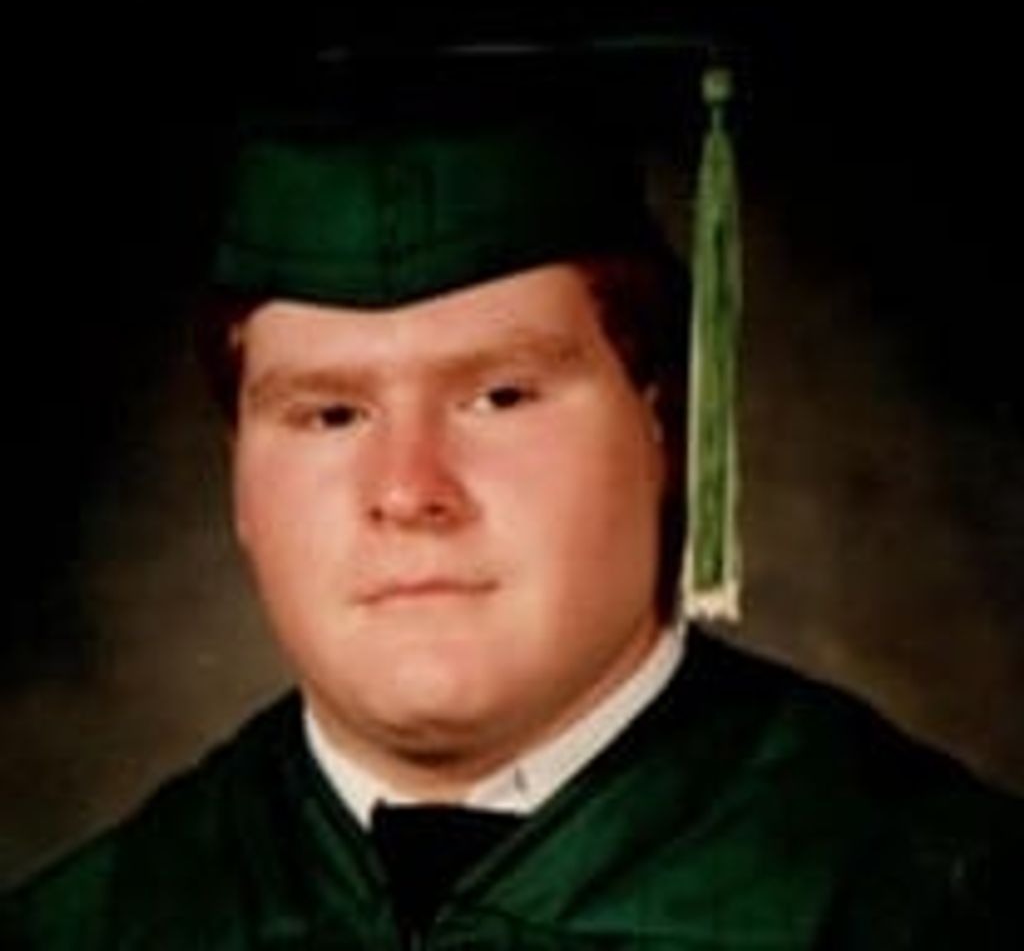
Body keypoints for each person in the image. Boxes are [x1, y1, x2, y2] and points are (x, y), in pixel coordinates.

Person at [4, 51, 1021, 949]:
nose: (409, 490)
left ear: (662, 427)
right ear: (240, 479)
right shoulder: (92, 924)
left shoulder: (930, 899)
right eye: (329, 414)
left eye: (500, 396)